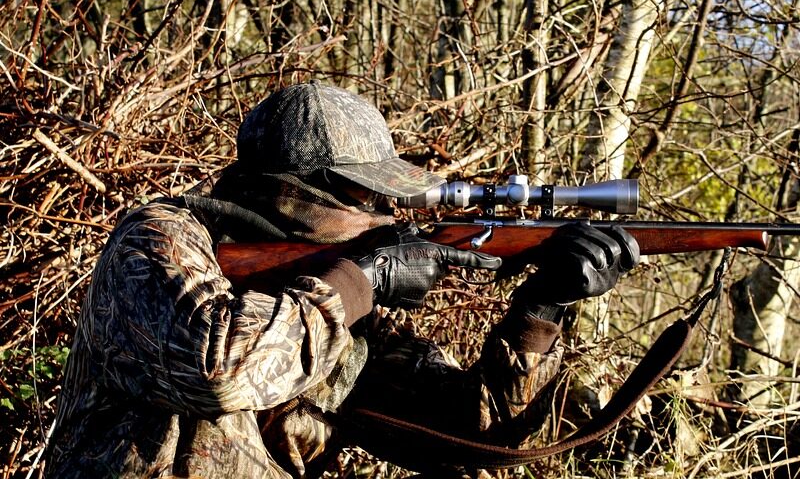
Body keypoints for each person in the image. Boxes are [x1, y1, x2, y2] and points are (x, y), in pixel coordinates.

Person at [44, 81, 639, 478]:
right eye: (368, 194)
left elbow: (479, 433)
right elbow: (217, 370)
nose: (386, 214)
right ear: (300, 191)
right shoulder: (159, 240)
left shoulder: (335, 311)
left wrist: (541, 310)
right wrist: (362, 280)